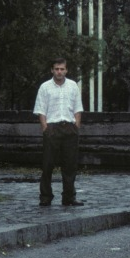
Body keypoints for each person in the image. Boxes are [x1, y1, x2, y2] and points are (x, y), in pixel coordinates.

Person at [34, 57, 84, 206]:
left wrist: (76, 127)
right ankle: (45, 197)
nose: (59, 72)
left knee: (70, 165)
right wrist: (45, 128)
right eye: (57, 69)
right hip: (52, 128)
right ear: (52, 70)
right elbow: (40, 110)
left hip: (69, 127)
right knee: (48, 165)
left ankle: (69, 197)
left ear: (66, 70)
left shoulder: (73, 86)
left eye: (62, 69)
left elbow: (77, 108)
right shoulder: (45, 87)